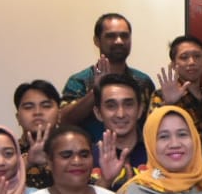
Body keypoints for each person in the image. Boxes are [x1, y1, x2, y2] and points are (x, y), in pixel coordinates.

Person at [60, 13, 157, 143]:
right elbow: (63, 120)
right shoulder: (80, 81)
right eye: (111, 36)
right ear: (97, 41)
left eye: (124, 36)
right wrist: (95, 91)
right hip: (92, 152)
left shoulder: (143, 81)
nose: (119, 41)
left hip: (135, 153)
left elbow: (154, 124)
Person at [156, 34, 202, 142]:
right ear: (173, 65)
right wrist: (169, 103)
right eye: (184, 57)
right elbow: (152, 133)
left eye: (197, 56)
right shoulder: (161, 95)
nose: (191, 62)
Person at [92, 74, 150, 191]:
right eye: (111, 106)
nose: (121, 114)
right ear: (98, 113)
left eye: (128, 105)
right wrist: (105, 181)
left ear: (140, 110)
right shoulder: (87, 157)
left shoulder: (157, 153)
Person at [13, 80, 61, 191]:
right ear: (18, 118)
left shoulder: (74, 150)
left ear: (59, 114)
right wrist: (28, 162)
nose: (37, 112)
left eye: (46, 106)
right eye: (28, 107)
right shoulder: (8, 152)